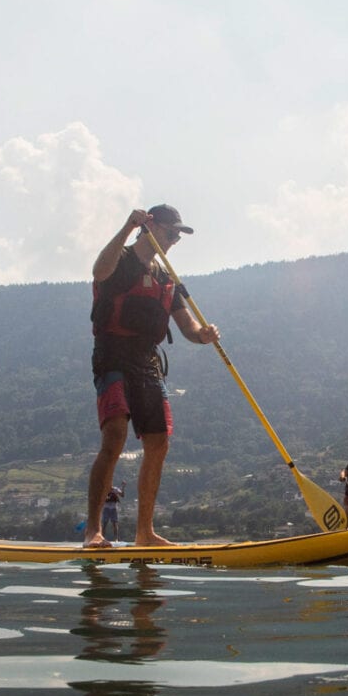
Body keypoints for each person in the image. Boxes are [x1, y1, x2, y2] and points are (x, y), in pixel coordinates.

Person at [83, 205, 219, 548]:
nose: (174, 240)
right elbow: (99, 272)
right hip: (112, 353)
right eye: (170, 232)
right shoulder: (121, 258)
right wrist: (127, 226)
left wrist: (202, 334)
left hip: (146, 360)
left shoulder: (166, 276)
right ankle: (93, 532)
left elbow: (186, 326)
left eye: (178, 235)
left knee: (159, 441)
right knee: (114, 436)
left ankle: (145, 533)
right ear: (150, 227)